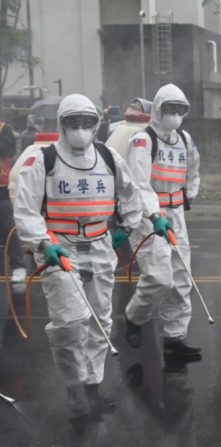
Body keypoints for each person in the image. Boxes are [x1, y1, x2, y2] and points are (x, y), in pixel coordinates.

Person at [13, 94, 143, 423]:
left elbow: (130, 194)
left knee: (100, 319)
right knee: (71, 323)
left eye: (87, 122)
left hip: (100, 244)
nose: (81, 130)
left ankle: (92, 386)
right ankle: (74, 388)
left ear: (96, 124)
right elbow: (26, 208)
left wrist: (125, 229)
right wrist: (43, 243)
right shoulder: (44, 160)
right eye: (74, 122)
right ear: (62, 123)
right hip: (60, 249)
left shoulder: (108, 157)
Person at [124, 84, 202, 360]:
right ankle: (134, 316)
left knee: (182, 279)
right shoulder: (143, 141)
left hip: (176, 213)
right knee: (159, 278)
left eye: (180, 110)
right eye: (170, 109)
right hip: (150, 219)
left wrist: (189, 194)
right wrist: (155, 215)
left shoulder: (184, 139)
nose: (175, 115)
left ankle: (174, 337)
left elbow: (194, 169)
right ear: (157, 109)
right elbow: (139, 184)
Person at [0, 118, 25, 293]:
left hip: (1, 187)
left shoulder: (3, 128)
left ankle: (18, 265)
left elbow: (8, 149)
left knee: (7, 226)